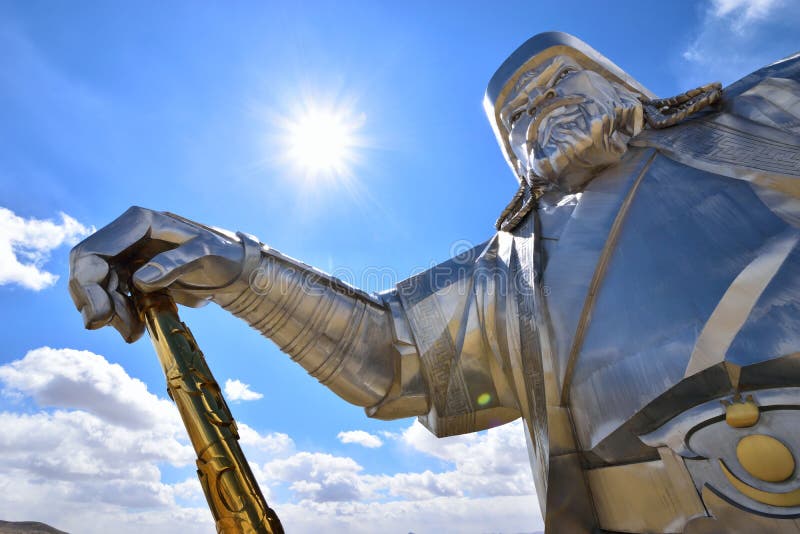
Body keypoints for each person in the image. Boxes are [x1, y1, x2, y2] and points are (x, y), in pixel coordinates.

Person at [69, 32, 800, 532]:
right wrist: (236, 263)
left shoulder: (764, 114)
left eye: (554, 82)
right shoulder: (513, 269)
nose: (538, 112)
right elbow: (390, 351)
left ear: (621, 85)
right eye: (516, 118)